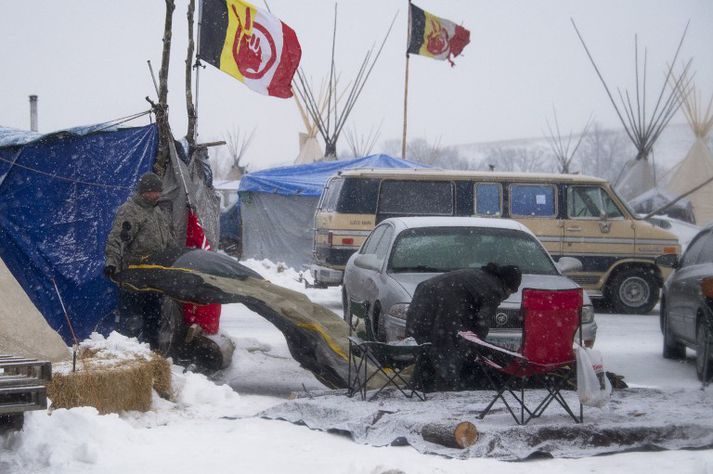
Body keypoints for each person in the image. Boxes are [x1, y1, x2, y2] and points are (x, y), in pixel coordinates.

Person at [405, 262, 522, 392]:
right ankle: (446, 387)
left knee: (427, 345)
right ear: (508, 285)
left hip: (424, 296)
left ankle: (420, 383)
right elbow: (482, 321)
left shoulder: (482, 276)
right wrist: (477, 345)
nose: (508, 296)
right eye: (511, 291)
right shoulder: (494, 288)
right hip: (446, 308)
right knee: (448, 349)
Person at [104, 172, 175, 348]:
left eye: (158, 191)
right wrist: (111, 262)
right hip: (134, 278)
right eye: (152, 192)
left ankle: (152, 353)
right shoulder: (130, 210)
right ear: (143, 192)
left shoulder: (158, 211)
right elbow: (117, 239)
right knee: (132, 323)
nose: (156, 195)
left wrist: (178, 257)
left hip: (155, 278)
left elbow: (168, 240)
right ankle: (130, 355)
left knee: (153, 321)